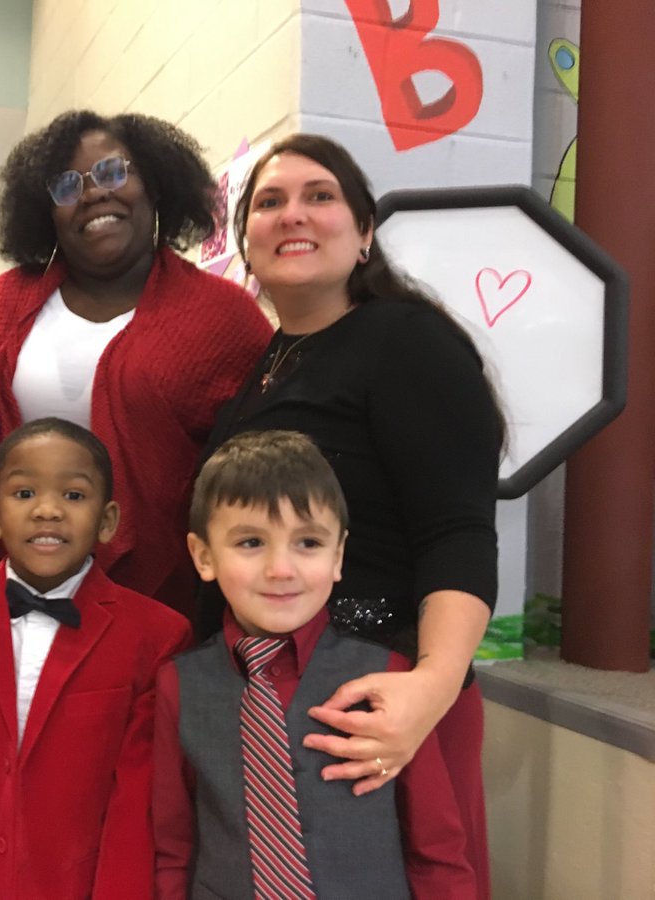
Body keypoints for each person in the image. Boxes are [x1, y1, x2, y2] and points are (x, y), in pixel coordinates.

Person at [203, 133, 503, 896]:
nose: (292, 215)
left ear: (365, 231)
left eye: (320, 196)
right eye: (269, 202)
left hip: (388, 696)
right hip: (275, 691)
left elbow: (458, 531)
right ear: (247, 241)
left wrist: (431, 687)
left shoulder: (406, 341)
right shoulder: (266, 368)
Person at [0, 418, 191, 899]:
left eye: (74, 495)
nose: (48, 510)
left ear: (108, 520)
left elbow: (137, 805)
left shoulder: (157, 635)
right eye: (24, 494)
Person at [0, 111, 273, 615]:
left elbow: (263, 466)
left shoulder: (224, 316)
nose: (92, 194)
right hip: (17, 593)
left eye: (113, 172)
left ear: (153, 184)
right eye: (67, 186)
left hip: (167, 600)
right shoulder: (3, 305)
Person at [154, 431, 475, 899]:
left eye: (307, 542)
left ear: (338, 555)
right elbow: (173, 847)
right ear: (204, 556)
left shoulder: (389, 678)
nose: (281, 569)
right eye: (250, 542)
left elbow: (437, 852)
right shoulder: (178, 684)